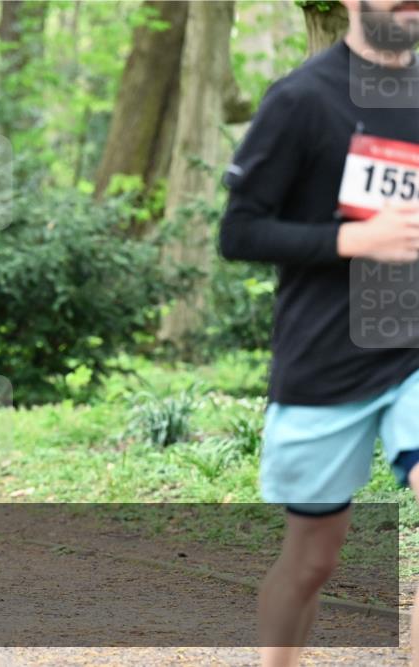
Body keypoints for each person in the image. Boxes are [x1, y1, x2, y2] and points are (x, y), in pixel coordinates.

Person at [218, 1, 419, 663]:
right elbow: (240, 232)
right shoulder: (302, 99)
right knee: (311, 559)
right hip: (326, 359)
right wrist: (354, 238)